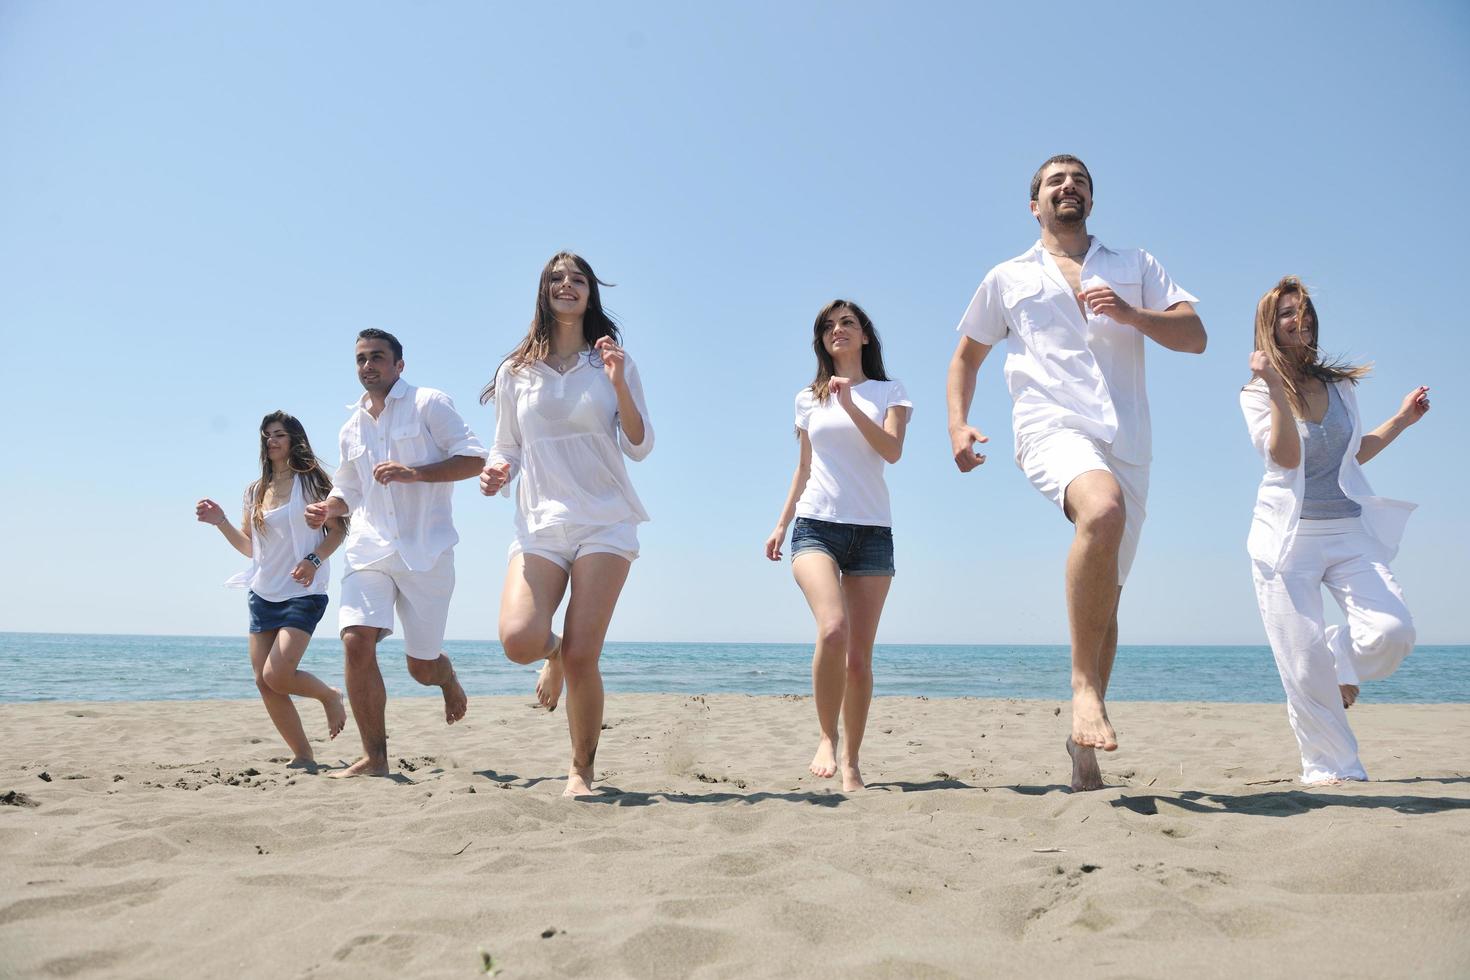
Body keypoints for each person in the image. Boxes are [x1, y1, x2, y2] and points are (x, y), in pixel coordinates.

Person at [946, 154, 1206, 791]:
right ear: (1034, 204)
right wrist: (958, 424)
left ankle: (1081, 749)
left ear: (1092, 200)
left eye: (1080, 180)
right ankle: (1084, 690)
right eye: (1055, 181)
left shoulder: (1134, 266)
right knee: (1101, 509)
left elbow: (1195, 335)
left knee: (1108, 598)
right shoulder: (1007, 277)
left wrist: (1131, 313)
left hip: (1129, 438)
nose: (1069, 187)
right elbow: (965, 357)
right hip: (1049, 425)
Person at [480, 251, 653, 798]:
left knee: (585, 655)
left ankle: (580, 770)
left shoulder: (612, 363)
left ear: (589, 294)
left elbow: (641, 445)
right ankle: (551, 654)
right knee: (517, 639)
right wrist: (495, 471)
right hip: (539, 521)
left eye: (578, 279)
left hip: (604, 520)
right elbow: (505, 444)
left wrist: (619, 382)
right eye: (557, 278)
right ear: (543, 291)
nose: (567, 285)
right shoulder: (517, 370)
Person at [1243, 276, 1428, 784]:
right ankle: (1333, 769)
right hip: (1287, 539)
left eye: (1303, 311)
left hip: (1347, 530)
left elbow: (1349, 455)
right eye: (1285, 313)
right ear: (1269, 325)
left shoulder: (1340, 386)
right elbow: (1285, 459)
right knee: (1303, 668)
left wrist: (1401, 421)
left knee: (1394, 632)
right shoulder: (1257, 392)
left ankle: (1339, 653)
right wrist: (1277, 390)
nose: (1298, 319)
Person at [304, 328, 488, 778]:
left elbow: (475, 459)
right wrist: (330, 507)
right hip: (370, 547)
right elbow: (349, 490)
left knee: (421, 667)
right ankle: (376, 758)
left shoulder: (430, 403)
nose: (368, 366)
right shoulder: (351, 426)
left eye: (378, 358)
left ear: (398, 365)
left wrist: (414, 473)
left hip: (428, 550)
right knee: (355, 640)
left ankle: (447, 679)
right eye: (362, 359)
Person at [765, 300, 910, 793]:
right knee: (833, 629)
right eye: (829, 326)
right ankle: (826, 736)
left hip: (872, 533)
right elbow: (803, 468)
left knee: (859, 659)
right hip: (816, 526)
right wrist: (781, 524)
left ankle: (851, 762)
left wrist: (850, 405)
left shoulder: (891, 392)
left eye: (847, 323)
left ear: (865, 336)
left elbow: (891, 450)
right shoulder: (808, 398)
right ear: (822, 341)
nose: (838, 331)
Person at [195, 411, 347, 767]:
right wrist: (221, 522)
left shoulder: (312, 482)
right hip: (263, 593)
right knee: (265, 683)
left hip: (303, 591)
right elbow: (251, 548)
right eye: (266, 436)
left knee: (277, 674)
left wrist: (313, 559)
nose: (271, 441)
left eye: (278, 434)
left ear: (294, 439)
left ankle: (329, 695)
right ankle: (303, 756)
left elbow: (338, 531)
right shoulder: (255, 490)